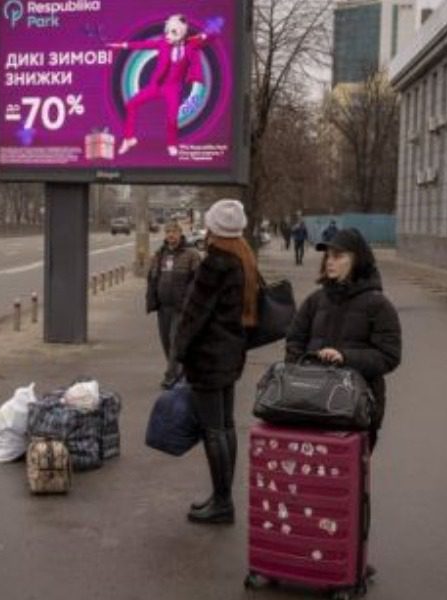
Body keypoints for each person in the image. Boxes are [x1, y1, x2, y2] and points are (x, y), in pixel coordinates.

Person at [174, 199, 258, 525]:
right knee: (225, 427)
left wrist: (177, 356)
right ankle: (222, 497)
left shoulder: (215, 264)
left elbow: (193, 316)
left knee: (214, 431)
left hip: (208, 358)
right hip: (230, 355)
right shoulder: (244, 260)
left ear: (213, 229)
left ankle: (222, 503)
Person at [285, 228, 401, 452]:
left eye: (338, 256)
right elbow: (294, 341)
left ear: (357, 259)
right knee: (311, 477)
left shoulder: (378, 305)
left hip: (355, 411)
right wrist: (303, 372)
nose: (330, 262)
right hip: (311, 405)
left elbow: (389, 356)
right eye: (328, 256)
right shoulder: (315, 300)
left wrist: (345, 357)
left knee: (347, 478)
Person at [109, 14, 210, 157]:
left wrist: (206, 36)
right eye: (167, 31)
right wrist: (124, 45)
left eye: (173, 32)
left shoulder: (190, 48)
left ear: (181, 34)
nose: (168, 35)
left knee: (171, 119)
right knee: (131, 104)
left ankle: (171, 144)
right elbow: (143, 45)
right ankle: (129, 138)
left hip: (173, 89)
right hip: (156, 86)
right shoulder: (163, 43)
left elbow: (212, 37)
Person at [146, 220, 202, 389]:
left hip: (181, 307)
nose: (171, 235)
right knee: (166, 342)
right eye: (168, 231)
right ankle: (180, 371)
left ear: (180, 233)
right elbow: (153, 278)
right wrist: (152, 299)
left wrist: (189, 301)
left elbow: (197, 281)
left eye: (174, 231)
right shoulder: (160, 254)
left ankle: (171, 376)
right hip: (164, 307)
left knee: (175, 341)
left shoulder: (191, 254)